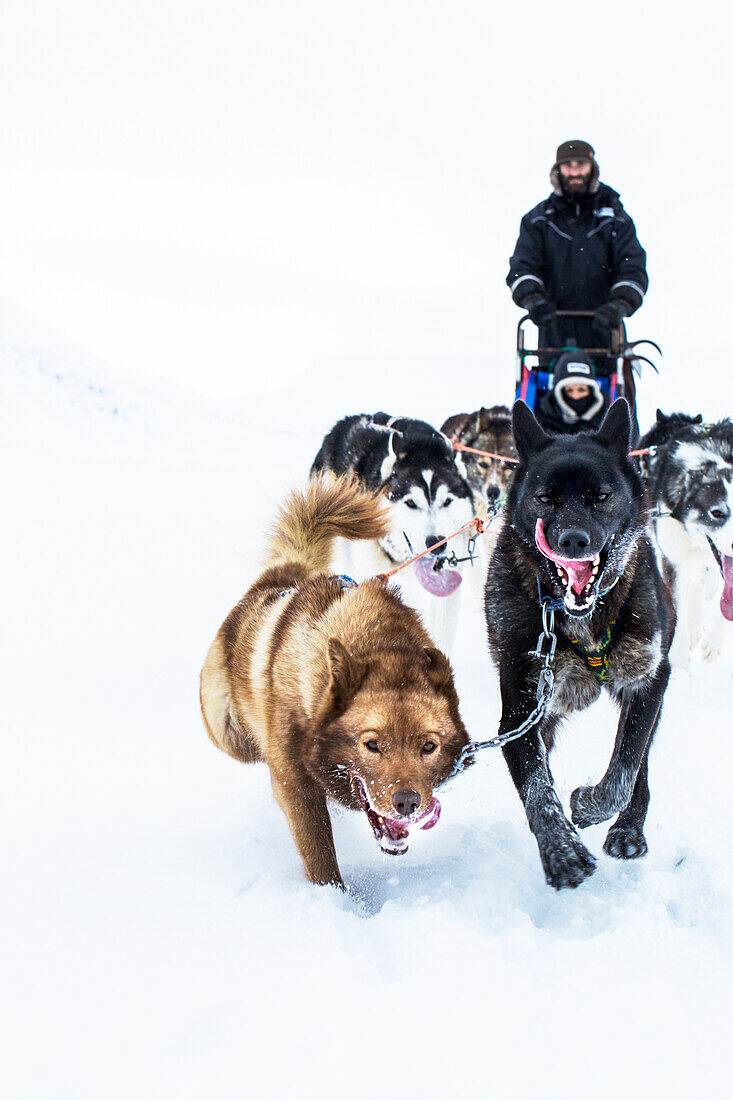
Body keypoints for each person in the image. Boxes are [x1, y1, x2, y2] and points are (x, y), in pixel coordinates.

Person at [507, 139, 648, 373]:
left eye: (580, 165)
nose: (574, 172)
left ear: (592, 168)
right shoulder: (538, 220)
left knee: (613, 401)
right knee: (548, 402)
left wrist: (620, 304)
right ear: (558, 170)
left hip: (604, 334)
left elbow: (632, 266)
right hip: (552, 332)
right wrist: (533, 300)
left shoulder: (616, 220)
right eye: (568, 165)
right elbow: (522, 266)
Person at [536, 351, 608, 435]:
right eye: (569, 390)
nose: (575, 396)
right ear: (559, 392)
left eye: (581, 390)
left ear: (591, 390)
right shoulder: (544, 417)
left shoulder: (606, 416)